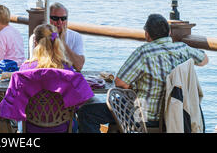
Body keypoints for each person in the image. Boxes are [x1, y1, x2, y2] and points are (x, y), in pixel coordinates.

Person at [77, 13, 209, 133]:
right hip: (176, 114)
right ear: (169, 32)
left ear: (147, 34)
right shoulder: (183, 48)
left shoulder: (144, 53)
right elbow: (204, 60)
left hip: (143, 117)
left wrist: (132, 88)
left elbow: (120, 83)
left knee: (87, 113)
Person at [29, 2, 85, 71]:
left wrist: (63, 44)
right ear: (47, 18)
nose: (60, 22)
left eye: (63, 18)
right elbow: (35, 64)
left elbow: (79, 66)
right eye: (55, 18)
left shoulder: (75, 37)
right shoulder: (37, 37)